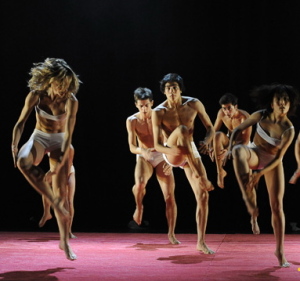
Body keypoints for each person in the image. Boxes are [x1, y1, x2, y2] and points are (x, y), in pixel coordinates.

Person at [11, 58, 81, 260]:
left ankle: (65, 243)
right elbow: (20, 123)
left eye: (67, 86)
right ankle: (52, 202)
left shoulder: (71, 100)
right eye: (60, 85)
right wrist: (14, 145)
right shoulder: (36, 95)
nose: (63, 90)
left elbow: (69, 134)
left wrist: (60, 163)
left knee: (62, 193)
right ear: (50, 81)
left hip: (60, 141)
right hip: (39, 136)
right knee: (23, 161)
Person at [223, 83, 299, 267]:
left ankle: (279, 251)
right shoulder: (261, 115)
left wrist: (259, 175)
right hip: (255, 154)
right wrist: (229, 148)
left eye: (286, 101)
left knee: (277, 206)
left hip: (273, 162)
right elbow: (236, 130)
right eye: (279, 100)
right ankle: (249, 203)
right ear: (271, 103)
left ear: (290, 105)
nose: (282, 103)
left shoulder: (288, 128)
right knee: (239, 150)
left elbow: (279, 158)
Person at [152, 73, 215, 254]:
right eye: (168, 88)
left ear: (180, 89)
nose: (171, 91)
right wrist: (173, 152)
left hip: (190, 150)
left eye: (175, 87)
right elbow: (157, 145)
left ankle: (201, 242)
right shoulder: (159, 111)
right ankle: (203, 177)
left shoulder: (194, 103)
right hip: (171, 151)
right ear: (164, 91)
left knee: (203, 196)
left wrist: (206, 141)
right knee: (182, 129)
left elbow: (210, 128)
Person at [126, 87, 179, 244]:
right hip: (145, 155)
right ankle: (139, 207)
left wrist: (171, 161)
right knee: (140, 184)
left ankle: (171, 233)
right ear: (136, 105)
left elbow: (172, 142)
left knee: (169, 196)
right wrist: (142, 150)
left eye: (147, 105)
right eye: (141, 106)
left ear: (152, 103)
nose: (144, 109)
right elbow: (131, 147)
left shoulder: (160, 117)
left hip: (162, 155)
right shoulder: (132, 120)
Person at [209, 93, 252, 189]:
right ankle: (220, 172)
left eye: (229, 108)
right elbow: (213, 131)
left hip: (242, 145)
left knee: (247, 182)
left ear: (235, 106)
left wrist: (229, 149)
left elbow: (245, 141)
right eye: (224, 108)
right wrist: (211, 147)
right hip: (230, 141)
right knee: (217, 135)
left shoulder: (244, 117)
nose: (226, 111)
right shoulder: (221, 113)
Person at [39, 145, 76, 239]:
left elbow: (69, 164)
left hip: (68, 172)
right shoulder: (50, 145)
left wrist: (65, 180)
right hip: (54, 171)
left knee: (69, 201)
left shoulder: (69, 147)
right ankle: (47, 212)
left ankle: (69, 230)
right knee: (44, 184)